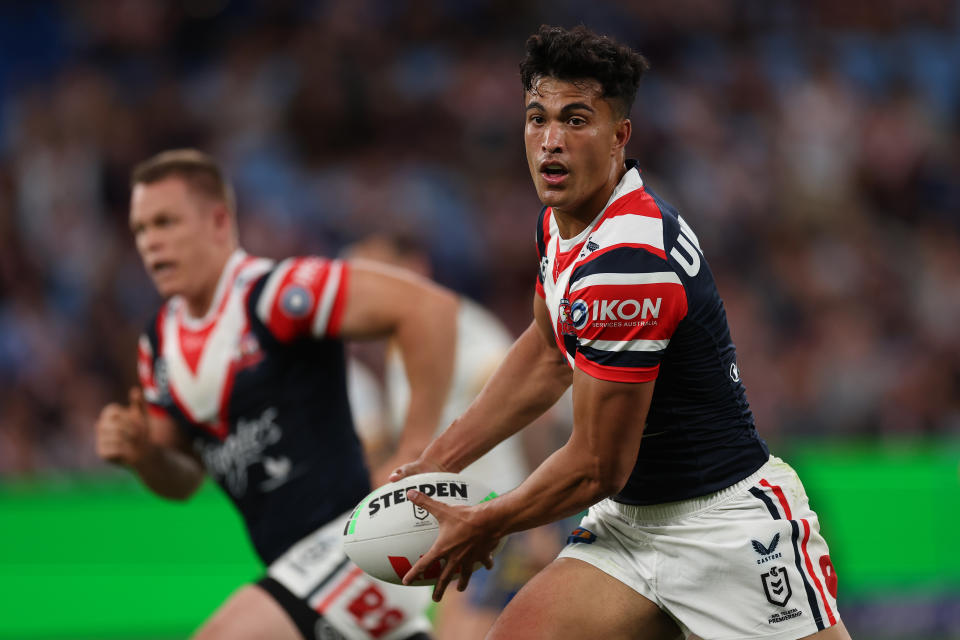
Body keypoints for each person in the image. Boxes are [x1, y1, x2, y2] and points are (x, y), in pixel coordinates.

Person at [389, 25, 851, 640]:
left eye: (576, 120)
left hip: (726, 529)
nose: (550, 142)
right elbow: (547, 352)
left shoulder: (627, 265)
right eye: (537, 118)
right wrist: (433, 463)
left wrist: (489, 521)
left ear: (619, 136)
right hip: (630, 527)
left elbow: (596, 465)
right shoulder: (564, 222)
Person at [94, 149, 458, 640]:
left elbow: (429, 309)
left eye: (165, 222)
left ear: (219, 221)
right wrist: (142, 456)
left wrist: (417, 451)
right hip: (297, 570)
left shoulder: (275, 293)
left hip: (356, 542)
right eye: (140, 229)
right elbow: (181, 482)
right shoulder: (157, 346)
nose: (150, 243)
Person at [346, 233, 563, 639]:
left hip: (498, 518)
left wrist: (540, 522)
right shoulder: (402, 344)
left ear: (416, 269)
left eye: (377, 274)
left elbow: (536, 412)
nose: (366, 292)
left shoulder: (461, 332)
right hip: (462, 522)